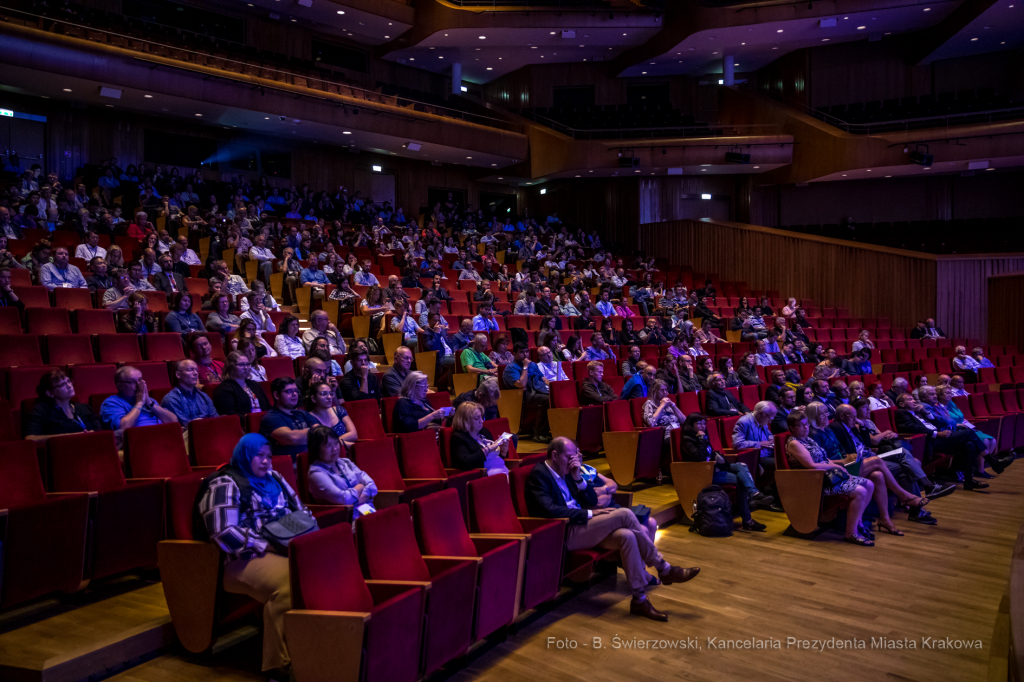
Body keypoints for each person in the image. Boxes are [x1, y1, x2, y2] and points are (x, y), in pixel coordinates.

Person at [524, 437, 699, 621]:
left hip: (583, 526)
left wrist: (578, 478)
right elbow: (549, 510)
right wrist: (591, 514)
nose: (573, 461)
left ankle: (639, 600)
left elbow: (590, 500)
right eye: (569, 457)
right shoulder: (540, 474)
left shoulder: (567, 471)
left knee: (627, 536)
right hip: (565, 532)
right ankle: (663, 567)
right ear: (554, 455)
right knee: (624, 514)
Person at [197, 433, 304, 674]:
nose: (266, 461)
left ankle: (311, 650)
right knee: (290, 583)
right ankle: (280, 666)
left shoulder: (275, 478)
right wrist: (264, 545)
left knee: (317, 569)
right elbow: (222, 531)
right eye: (259, 455)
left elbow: (300, 510)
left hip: (284, 547)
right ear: (245, 455)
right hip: (243, 559)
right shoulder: (224, 483)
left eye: (269, 456)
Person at [785, 411, 876, 546]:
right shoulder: (794, 443)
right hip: (816, 481)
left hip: (828, 476)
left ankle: (859, 523)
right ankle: (851, 533)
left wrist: (842, 467)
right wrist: (836, 468)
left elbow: (824, 459)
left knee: (869, 484)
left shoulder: (808, 439)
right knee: (860, 491)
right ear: (792, 428)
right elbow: (811, 465)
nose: (805, 428)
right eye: (801, 425)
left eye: (806, 424)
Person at [678, 413, 770, 531]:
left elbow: (710, 452)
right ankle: (748, 520)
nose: (702, 426)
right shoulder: (688, 439)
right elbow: (699, 457)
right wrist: (702, 439)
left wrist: (720, 458)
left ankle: (754, 494)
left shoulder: (703, 436)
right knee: (741, 481)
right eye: (698, 423)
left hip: (715, 468)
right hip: (704, 474)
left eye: (704, 423)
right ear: (691, 425)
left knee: (741, 465)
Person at [894, 393, 987, 491]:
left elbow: (937, 424)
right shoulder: (901, 413)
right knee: (968, 432)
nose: (914, 401)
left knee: (969, 445)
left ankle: (969, 481)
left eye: (913, 399)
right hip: (930, 442)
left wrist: (926, 412)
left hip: (939, 438)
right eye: (909, 399)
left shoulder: (918, 413)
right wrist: (937, 434)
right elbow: (912, 428)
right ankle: (991, 460)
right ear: (902, 404)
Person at [305, 424, 376, 513]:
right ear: (316, 449)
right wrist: (360, 486)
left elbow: (371, 485)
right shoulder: (316, 473)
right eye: (328, 445)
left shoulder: (345, 462)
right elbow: (344, 498)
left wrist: (353, 500)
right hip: (344, 519)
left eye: (336, 443)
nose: (335, 448)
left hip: (367, 511)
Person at [100, 365, 179, 440]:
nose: (139, 385)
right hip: (139, 443)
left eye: (140, 380)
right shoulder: (111, 403)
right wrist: (139, 403)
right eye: (132, 382)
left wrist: (149, 403)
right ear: (120, 386)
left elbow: (174, 422)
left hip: (163, 437)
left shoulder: (150, 401)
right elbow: (123, 428)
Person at [25, 369, 103, 440]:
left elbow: (101, 434)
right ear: (50, 393)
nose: (69, 386)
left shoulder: (84, 408)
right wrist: (68, 436)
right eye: (62, 385)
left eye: (69, 381)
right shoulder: (41, 410)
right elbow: (30, 438)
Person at [260, 377, 319, 462]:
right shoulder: (271, 417)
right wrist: (311, 434)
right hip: (289, 466)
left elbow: (320, 433)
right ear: (276, 395)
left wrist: (300, 437)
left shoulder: (302, 413)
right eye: (289, 391)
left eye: (296, 391)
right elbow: (292, 438)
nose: (295, 394)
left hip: (312, 462)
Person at [449, 401, 510, 476]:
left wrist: (503, 452)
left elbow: (495, 458)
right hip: (482, 475)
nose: (482, 421)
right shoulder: (458, 438)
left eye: (481, 417)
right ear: (465, 421)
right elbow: (465, 463)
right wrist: (488, 449)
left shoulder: (484, 431)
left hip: (501, 469)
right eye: (477, 418)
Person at [161, 359, 219, 430]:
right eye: (190, 370)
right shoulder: (171, 399)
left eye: (196, 370)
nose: (195, 373)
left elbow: (216, 420)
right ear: (178, 374)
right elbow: (186, 427)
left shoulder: (204, 396)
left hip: (210, 433)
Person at [642, 379, 684, 475]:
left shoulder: (668, 405)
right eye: (662, 390)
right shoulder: (649, 404)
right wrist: (661, 406)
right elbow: (650, 423)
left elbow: (684, 421)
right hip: (664, 435)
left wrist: (673, 405)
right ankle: (679, 471)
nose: (666, 393)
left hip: (678, 431)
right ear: (654, 391)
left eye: (666, 390)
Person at [213, 351, 271, 416]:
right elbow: (230, 415)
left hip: (264, 422)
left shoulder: (255, 385)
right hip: (243, 424)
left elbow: (267, 407)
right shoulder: (224, 389)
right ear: (231, 367)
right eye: (241, 364)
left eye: (247, 364)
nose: (246, 367)